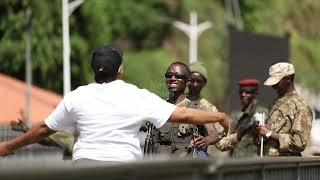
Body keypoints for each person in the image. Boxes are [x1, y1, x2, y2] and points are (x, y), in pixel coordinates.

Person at [0, 45, 228, 165]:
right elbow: (185, 116)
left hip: (85, 168)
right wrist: (219, 117)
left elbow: (44, 129)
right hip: (122, 169)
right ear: (120, 69)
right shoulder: (136, 95)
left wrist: (8, 147)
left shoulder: (77, 96)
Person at [150, 62, 221, 158]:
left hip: (185, 168)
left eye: (178, 76)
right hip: (159, 168)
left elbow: (214, 134)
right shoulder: (158, 108)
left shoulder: (197, 108)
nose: (173, 79)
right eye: (169, 75)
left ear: (187, 82)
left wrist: (205, 141)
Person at [256, 62, 313, 156]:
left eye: (277, 82)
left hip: (284, 167)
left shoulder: (300, 107)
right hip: (268, 165)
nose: (273, 86)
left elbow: (299, 143)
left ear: (288, 79)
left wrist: (270, 133)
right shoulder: (276, 103)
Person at [216, 78, 268, 158]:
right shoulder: (243, 115)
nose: (243, 94)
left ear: (255, 93)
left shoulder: (259, 112)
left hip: (251, 162)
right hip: (239, 161)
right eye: (241, 92)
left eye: (247, 92)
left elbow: (262, 137)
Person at [186, 62, 225, 158]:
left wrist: (206, 140)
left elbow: (219, 141)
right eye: (192, 80)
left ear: (204, 83)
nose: (195, 84)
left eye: (199, 81)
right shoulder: (178, 102)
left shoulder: (208, 109)